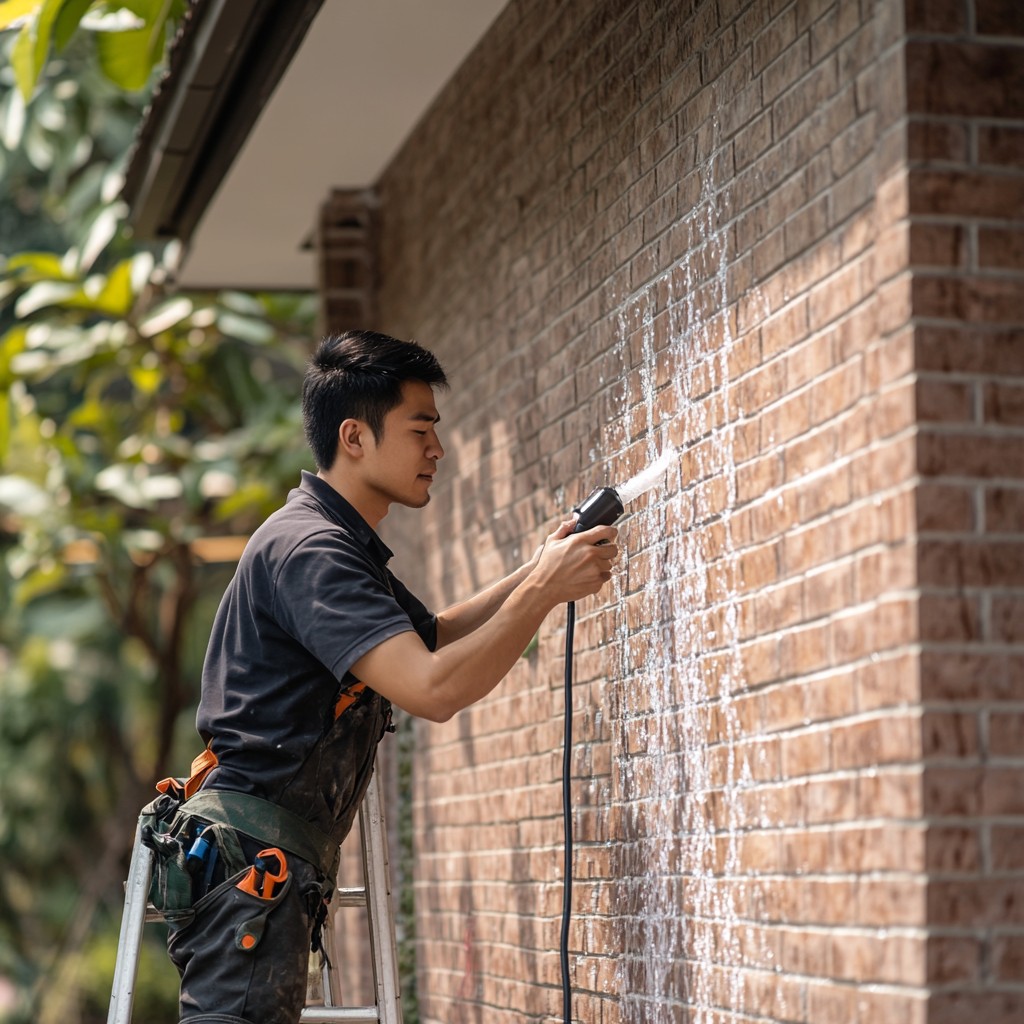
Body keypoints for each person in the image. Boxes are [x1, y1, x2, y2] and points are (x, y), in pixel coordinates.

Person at [142, 329, 618, 1024]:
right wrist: (544, 590)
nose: (437, 449)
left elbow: (433, 637)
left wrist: (541, 565)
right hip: (251, 867)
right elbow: (431, 687)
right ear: (355, 437)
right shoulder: (311, 550)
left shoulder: (336, 541)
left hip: (268, 863)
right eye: (419, 429)